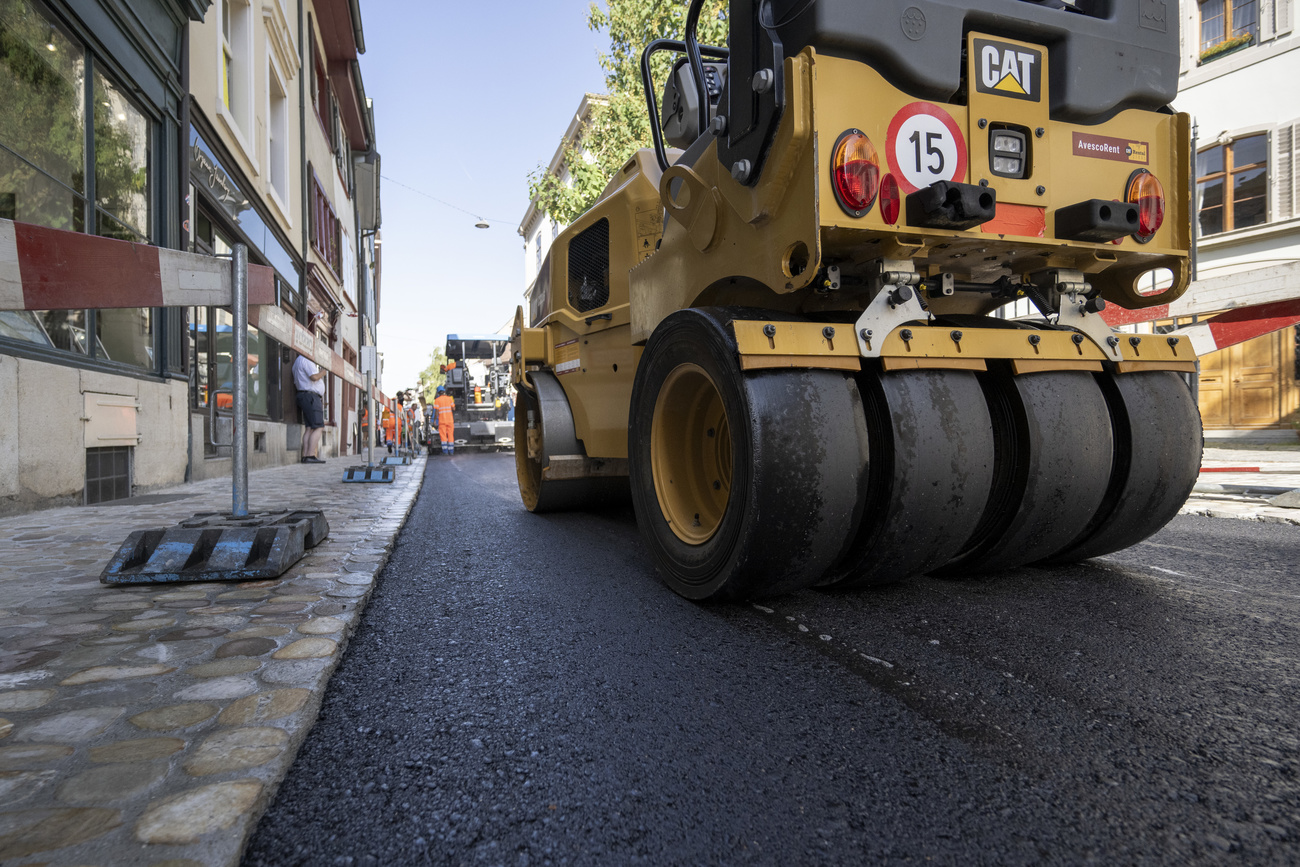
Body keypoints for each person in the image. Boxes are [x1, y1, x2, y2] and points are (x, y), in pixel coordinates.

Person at [292, 351, 327, 463]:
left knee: (309, 428)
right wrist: (323, 372)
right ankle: (310, 455)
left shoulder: (297, 361)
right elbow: (313, 377)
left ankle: (305, 455)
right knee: (318, 427)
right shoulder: (306, 360)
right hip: (310, 396)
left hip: (304, 395)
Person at [432, 385, 456, 455]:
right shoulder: (449, 399)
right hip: (450, 421)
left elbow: (436, 411)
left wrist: (434, 420)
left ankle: (445, 451)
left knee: (443, 436)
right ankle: (451, 451)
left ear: (438, 393)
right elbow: (454, 408)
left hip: (442, 421)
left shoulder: (437, 400)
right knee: (450, 435)